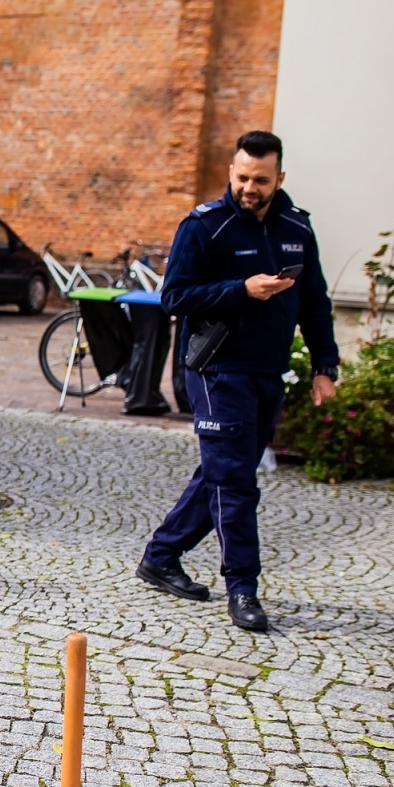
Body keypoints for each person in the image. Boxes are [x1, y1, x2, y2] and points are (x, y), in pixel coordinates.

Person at [137, 131, 339, 632]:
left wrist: (325, 367)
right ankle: (243, 588)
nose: (250, 187)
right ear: (231, 172)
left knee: (221, 474)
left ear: (280, 179)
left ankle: (161, 556)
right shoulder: (205, 226)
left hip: (268, 371)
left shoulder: (297, 227)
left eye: (261, 180)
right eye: (243, 177)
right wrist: (240, 290)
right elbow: (175, 298)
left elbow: (315, 302)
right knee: (236, 481)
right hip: (215, 369)